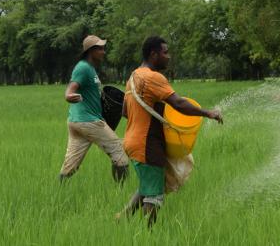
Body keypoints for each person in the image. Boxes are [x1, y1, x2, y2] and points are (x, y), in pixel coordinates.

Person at [117, 36, 223, 227]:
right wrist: (208, 113)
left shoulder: (134, 77)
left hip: (132, 140)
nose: (169, 56)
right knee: (154, 195)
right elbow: (178, 103)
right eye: (165, 52)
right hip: (146, 144)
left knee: (148, 184)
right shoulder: (153, 77)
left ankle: (121, 219)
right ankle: (149, 235)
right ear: (153, 54)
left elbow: (125, 111)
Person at [59, 35, 129, 183]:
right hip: (89, 121)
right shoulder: (83, 68)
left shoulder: (90, 68)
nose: (104, 52)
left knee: (70, 166)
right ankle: (121, 192)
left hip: (77, 121)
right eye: (100, 49)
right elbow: (71, 88)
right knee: (119, 153)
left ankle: (59, 190)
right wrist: (69, 95)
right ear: (91, 51)